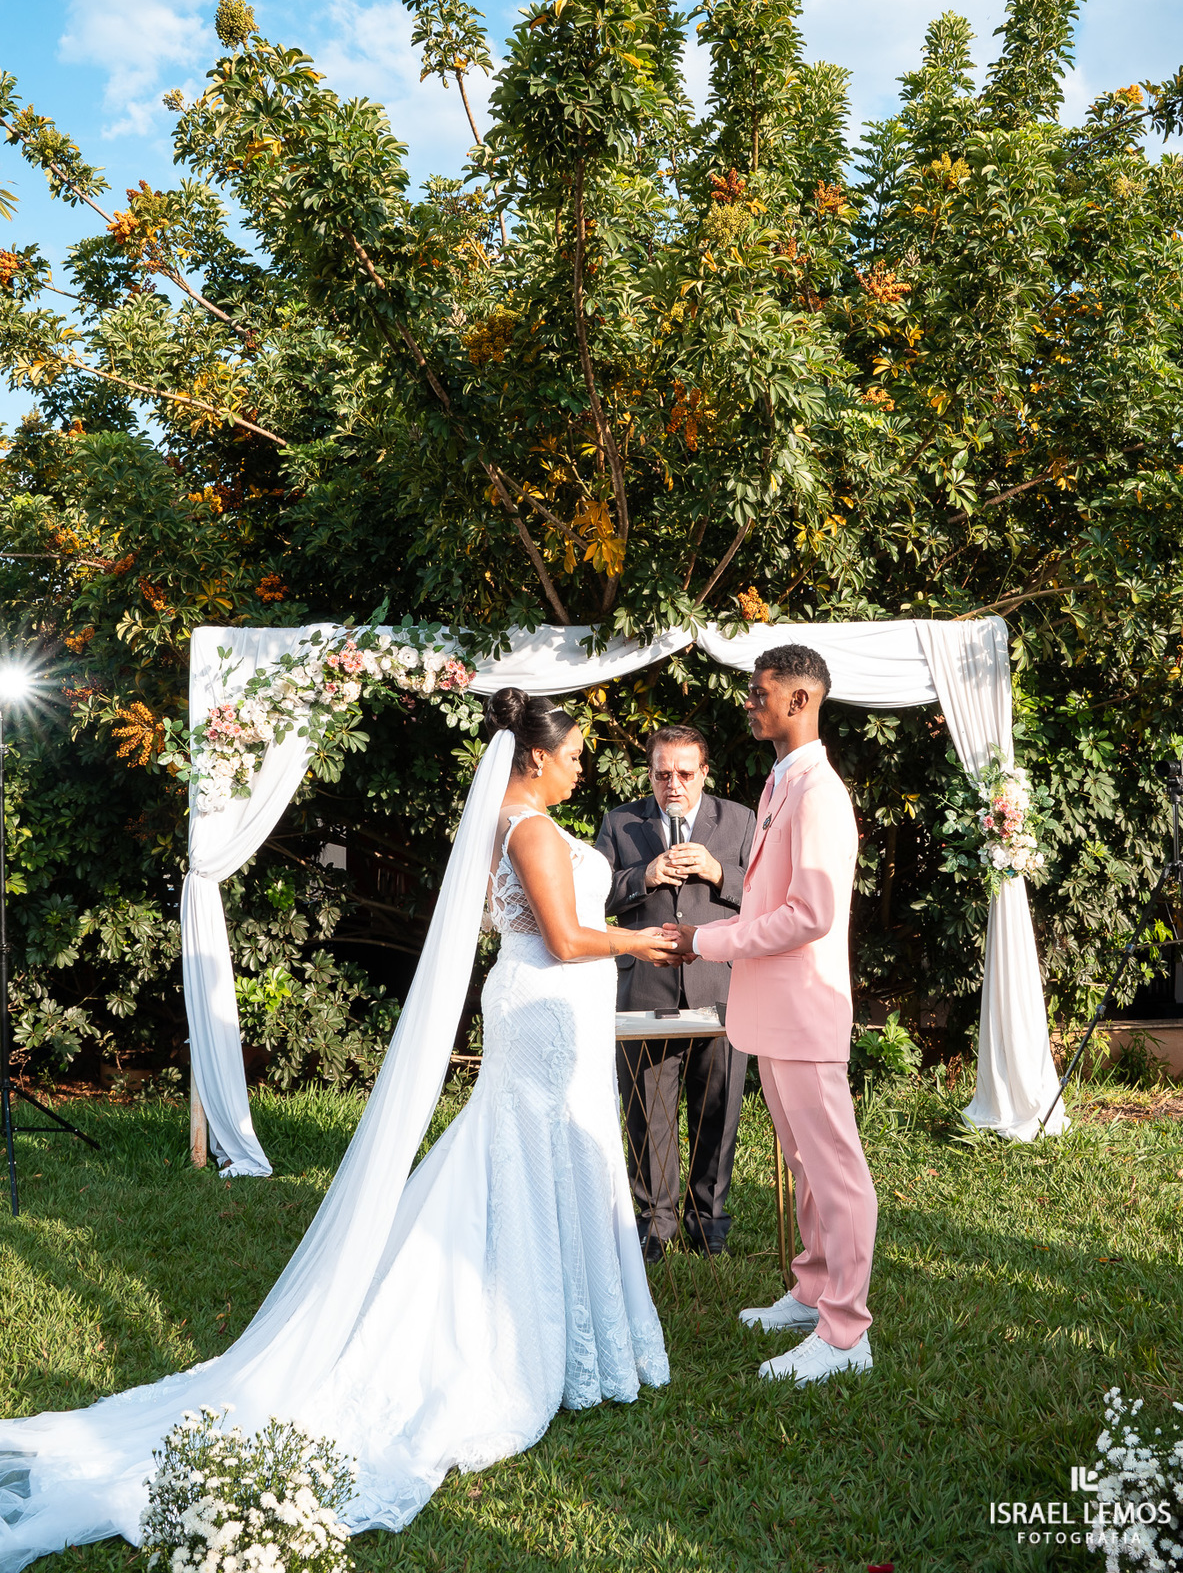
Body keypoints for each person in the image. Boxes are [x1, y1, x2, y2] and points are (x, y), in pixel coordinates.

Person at [0, 690, 674, 1571]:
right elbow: (566, 939)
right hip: (546, 1009)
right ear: (536, 759)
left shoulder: (507, 825)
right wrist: (643, 943)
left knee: (524, 1155)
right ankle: (532, 1337)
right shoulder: (533, 831)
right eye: (576, 753)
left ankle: (564, 1322)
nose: (583, 766)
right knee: (535, 1154)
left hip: (536, 1007)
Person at [666, 644, 877, 1388]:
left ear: (800, 701)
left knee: (836, 1172)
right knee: (804, 1166)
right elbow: (767, 901)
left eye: (761, 693)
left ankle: (846, 1333)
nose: (749, 703)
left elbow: (809, 914)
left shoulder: (818, 792)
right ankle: (813, 1291)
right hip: (776, 1012)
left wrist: (707, 942)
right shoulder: (782, 782)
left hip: (807, 1009)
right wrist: (707, 938)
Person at [594, 725, 755, 1260]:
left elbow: (768, 897)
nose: (674, 785)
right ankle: (654, 1223)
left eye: (685, 774)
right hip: (646, 988)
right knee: (648, 1111)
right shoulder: (620, 822)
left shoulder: (739, 820)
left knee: (718, 1109)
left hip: (720, 986)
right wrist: (643, 875)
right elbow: (591, 899)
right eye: (663, 774)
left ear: (704, 773)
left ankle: (708, 1222)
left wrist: (718, 872)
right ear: (650, 774)